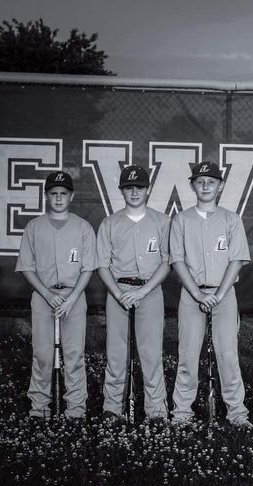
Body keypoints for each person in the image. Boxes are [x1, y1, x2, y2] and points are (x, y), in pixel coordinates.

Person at [169, 161, 252, 427]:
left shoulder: (231, 219)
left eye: (211, 181)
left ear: (221, 186)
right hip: (192, 295)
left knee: (228, 355)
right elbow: (177, 260)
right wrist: (197, 293)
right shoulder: (181, 220)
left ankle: (237, 412)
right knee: (188, 355)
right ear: (192, 185)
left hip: (224, 295)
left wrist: (218, 293)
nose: (206, 186)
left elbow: (237, 260)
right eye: (200, 181)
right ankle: (182, 413)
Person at [16, 171, 96, 420]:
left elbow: (88, 267)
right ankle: (39, 407)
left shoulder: (83, 227)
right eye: (54, 194)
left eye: (63, 193)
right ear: (47, 196)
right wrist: (47, 294)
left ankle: (75, 408)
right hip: (43, 295)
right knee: (42, 353)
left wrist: (72, 298)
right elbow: (27, 267)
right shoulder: (34, 227)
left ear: (71, 196)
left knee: (74, 354)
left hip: (74, 295)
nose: (59, 198)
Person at [96, 164, 171, 422]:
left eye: (139, 186)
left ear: (148, 190)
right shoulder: (110, 223)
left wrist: (144, 291)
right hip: (119, 291)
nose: (135, 191)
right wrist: (118, 293)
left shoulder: (162, 222)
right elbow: (102, 265)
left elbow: (166, 262)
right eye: (129, 187)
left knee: (151, 353)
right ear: (122, 191)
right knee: (116, 353)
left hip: (149, 291)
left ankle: (156, 410)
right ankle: (112, 407)